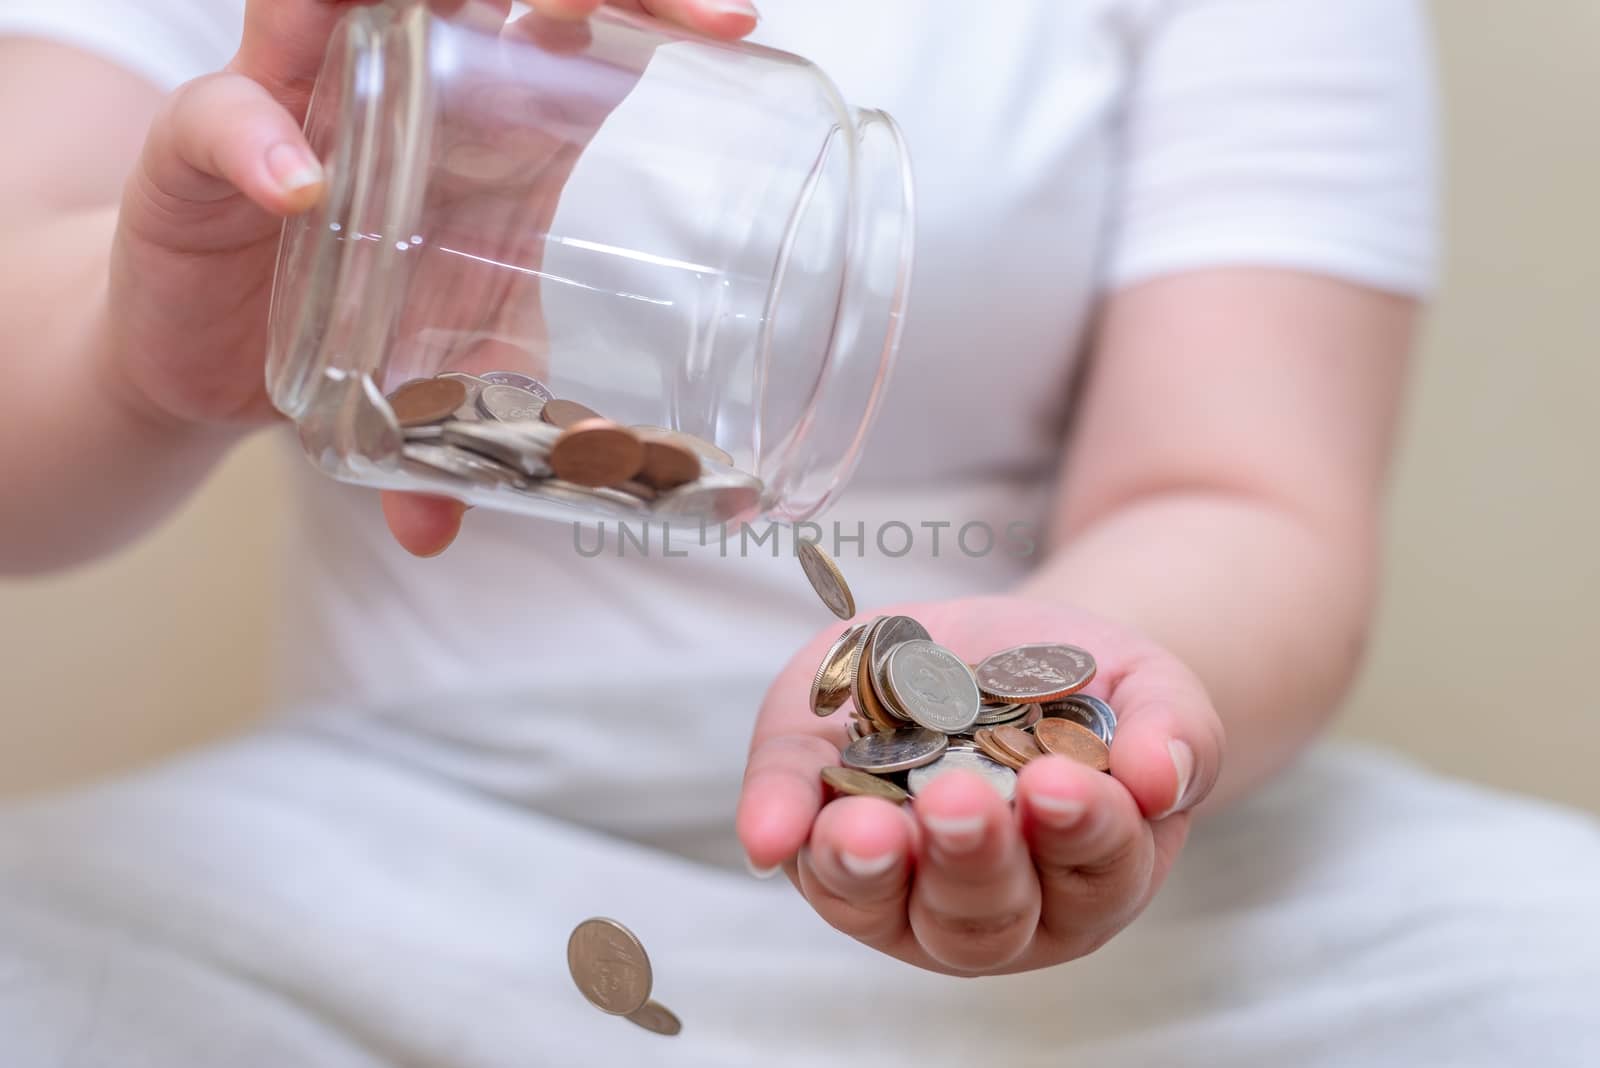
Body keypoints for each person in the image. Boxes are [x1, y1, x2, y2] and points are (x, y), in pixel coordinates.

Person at [0, 0, 1597, 1064]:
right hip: (403, 853)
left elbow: (1240, 494)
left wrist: (1084, 712)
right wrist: (143, 343)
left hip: (1115, 867)